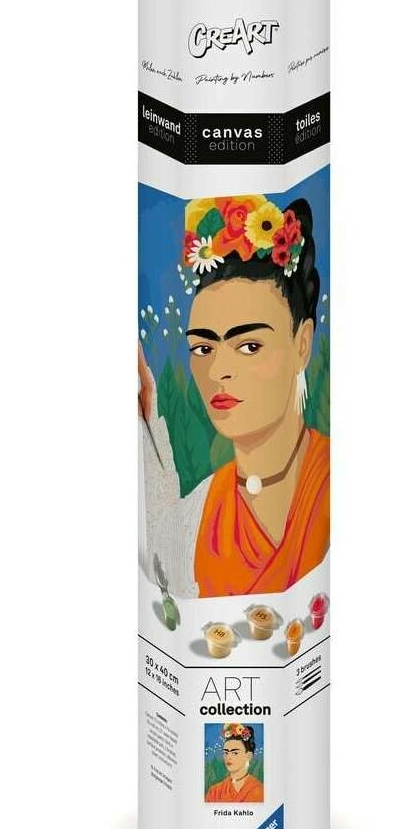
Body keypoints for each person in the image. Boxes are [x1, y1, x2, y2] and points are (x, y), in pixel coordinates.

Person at [139, 195, 329, 598]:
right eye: (203, 348)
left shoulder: (330, 481)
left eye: (249, 346)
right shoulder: (194, 518)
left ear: (302, 343)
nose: (217, 371)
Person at [205, 724, 264, 802]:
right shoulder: (214, 791)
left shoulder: (258, 790)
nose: (228, 757)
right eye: (226, 753)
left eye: (235, 753)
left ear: (248, 756)